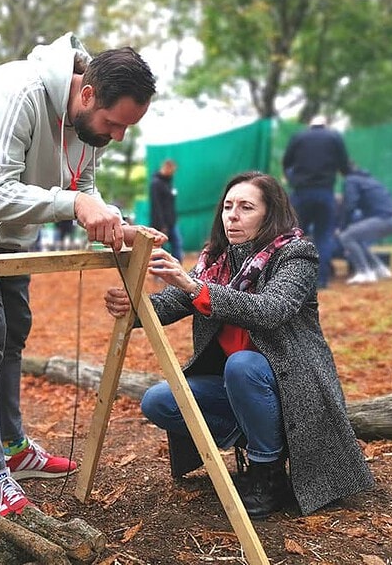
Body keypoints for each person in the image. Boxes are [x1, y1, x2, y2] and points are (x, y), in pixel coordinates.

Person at [0, 34, 157, 517]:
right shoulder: (18, 94)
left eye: (127, 127)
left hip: (12, 237)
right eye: (113, 123)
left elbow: (82, 185)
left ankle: (12, 445)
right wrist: (74, 205)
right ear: (87, 94)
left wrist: (110, 220)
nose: (117, 136)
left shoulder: (88, 125)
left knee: (13, 333)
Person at [104, 171, 374, 519]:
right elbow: (174, 301)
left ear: (270, 213)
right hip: (240, 387)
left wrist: (193, 287)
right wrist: (134, 307)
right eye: (228, 206)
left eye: (246, 207)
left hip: (291, 384)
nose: (233, 215)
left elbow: (270, 310)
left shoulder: (296, 255)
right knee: (160, 402)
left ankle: (267, 472)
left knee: (243, 365)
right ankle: (258, 442)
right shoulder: (217, 259)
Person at [282, 115, 351, 288]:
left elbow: (286, 162)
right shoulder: (334, 137)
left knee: (296, 236)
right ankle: (321, 280)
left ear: (309, 124)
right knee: (324, 236)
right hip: (325, 193)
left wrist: (292, 179)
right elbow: (344, 166)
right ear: (325, 124)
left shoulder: (298, 137)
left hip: (301, 193)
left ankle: (294, 280)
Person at [338, 166, 392, 285]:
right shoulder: (370, 180)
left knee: (346, 237)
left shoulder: (351, 180)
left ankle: (364, 273)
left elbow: (350, 205)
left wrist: (342, 227)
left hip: (384, 219)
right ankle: (380, 269)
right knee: (357, 238)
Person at [149, 158, 184, 261]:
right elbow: (156, 206)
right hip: (161, 224)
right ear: (166, 167)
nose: (173, 173)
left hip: (171, 222)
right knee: (160, 247)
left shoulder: (168, 182)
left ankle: (177, 269)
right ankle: (158, 271)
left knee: (177, 244)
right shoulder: (155, 183)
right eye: (172, 170)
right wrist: (161, 225)